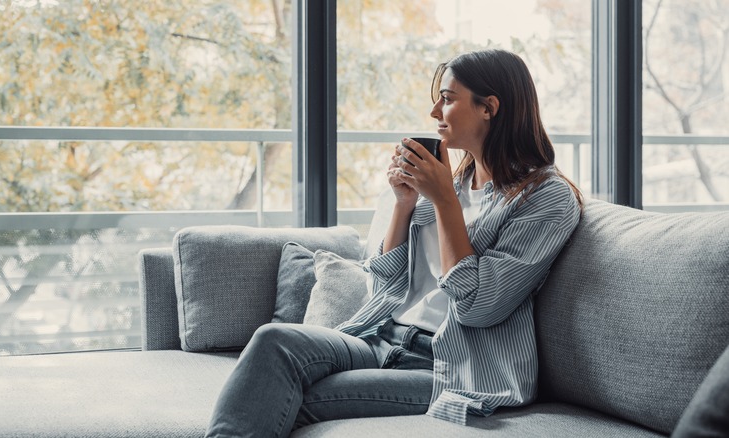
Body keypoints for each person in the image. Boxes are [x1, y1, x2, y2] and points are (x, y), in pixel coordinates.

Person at [205, 48, 583, 437]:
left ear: (488, 107)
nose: (435, 112)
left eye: (448, 99)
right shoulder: (450, 183)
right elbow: (383, 287)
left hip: (448, 365)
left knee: (286, 398)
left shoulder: (544, 198)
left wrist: (444, 203)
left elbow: (476, 306)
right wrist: (403, 206)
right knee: (273, 340)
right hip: (380, 338)